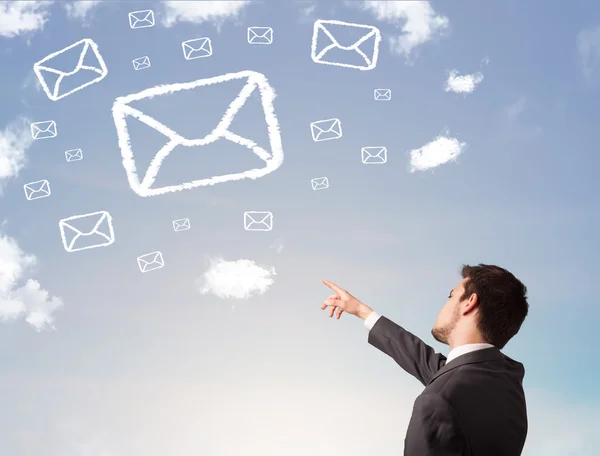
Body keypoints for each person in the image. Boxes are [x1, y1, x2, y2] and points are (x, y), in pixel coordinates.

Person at [321, 263, 529, 456]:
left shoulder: (437, 401)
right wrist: (362, 311)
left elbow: (444, 384)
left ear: (469, 303)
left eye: (451, 296)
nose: (443, 306)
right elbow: (428, 362)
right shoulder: (507, 377)